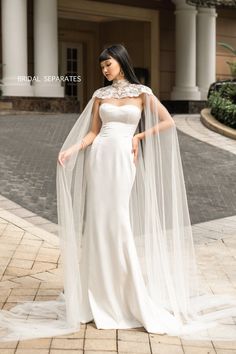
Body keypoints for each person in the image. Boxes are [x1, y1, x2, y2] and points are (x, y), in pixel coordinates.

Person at [0, 44, 236, 342]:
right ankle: (97, 293)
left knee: (118, 222)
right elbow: (93, 132)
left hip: (124, 160)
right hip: (99, 159)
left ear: (121, 62)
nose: (105, 71)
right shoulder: (101, 95)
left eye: (108, 65)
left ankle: (128, 295)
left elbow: (168, 121)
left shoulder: (142, 92)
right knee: (99, 224)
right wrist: (72, 149)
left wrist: (138, 136)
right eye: (102, 68)